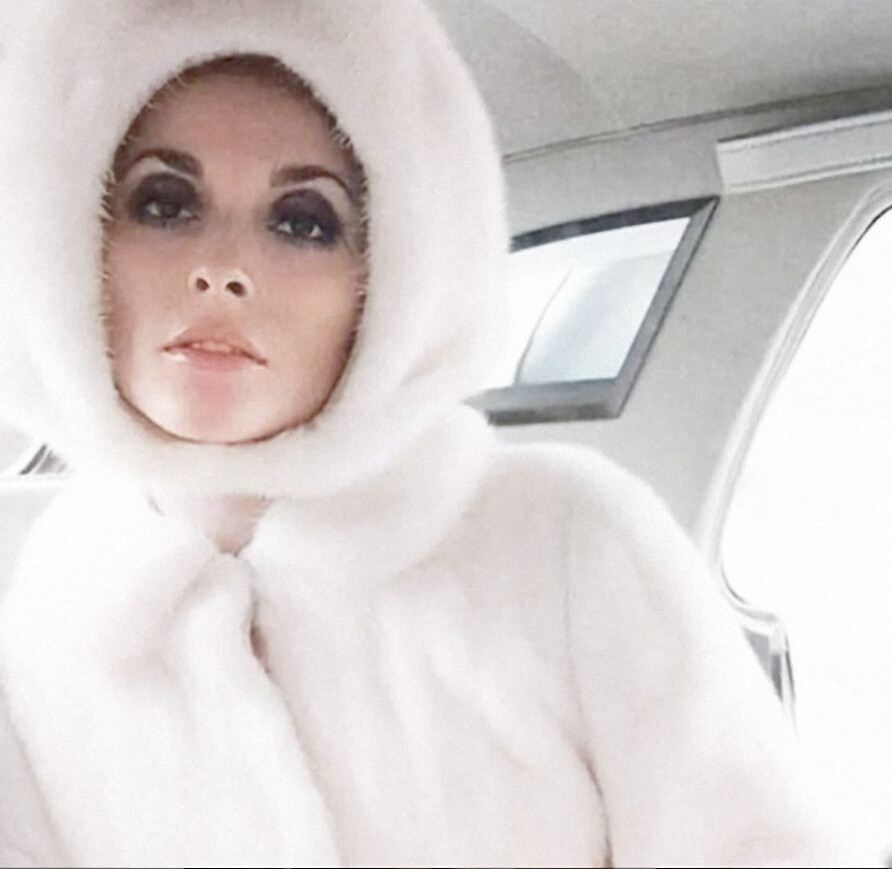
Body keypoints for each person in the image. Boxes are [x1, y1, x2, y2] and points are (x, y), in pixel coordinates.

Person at [0, 2, 877, 867]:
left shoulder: (564, 539)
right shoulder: (44, 624)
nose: (222, 269)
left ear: (387, 280)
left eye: (302, 221)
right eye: (163, 203)